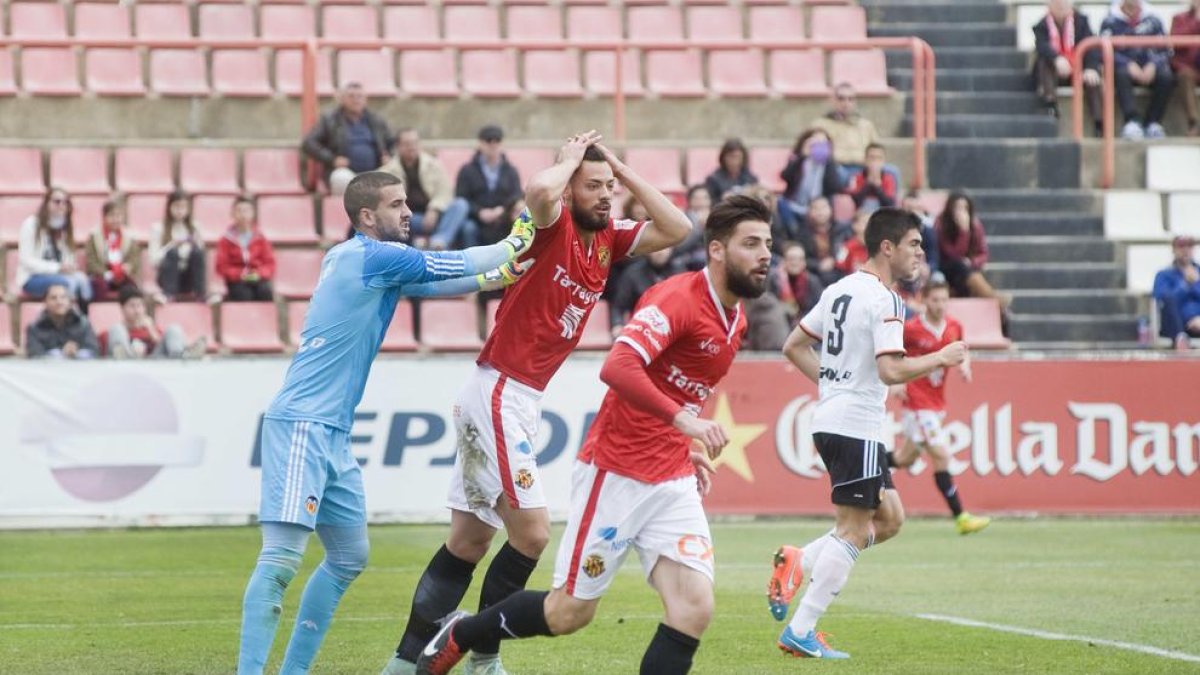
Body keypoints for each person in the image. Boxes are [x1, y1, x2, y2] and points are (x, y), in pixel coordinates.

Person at [413, 196, 774, 675]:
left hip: (671, 482)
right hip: (616, 472)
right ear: (717, 251)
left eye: (768, 243)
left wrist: (685, 444)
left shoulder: (736, 321)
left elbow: (682, 391)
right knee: (568, 614)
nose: (765, 254)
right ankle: (463, 632)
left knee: (694, 608)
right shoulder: (676, 299)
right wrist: (685, 423)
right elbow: (618, 365)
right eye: (751, 244)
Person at [382, 131, 693, 675]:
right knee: (533, 533)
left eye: (608, 188)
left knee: (470, 539)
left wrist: (618, 166)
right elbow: (537, 190)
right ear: (569, 191)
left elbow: (678, 228)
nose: (604, 196)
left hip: (515, 395)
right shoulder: (555, 227)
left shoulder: (609, 238)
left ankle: (405, 663)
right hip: (501, 388)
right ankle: (481, 655)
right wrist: (570, 160)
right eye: (592, 187)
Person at [237, 171, 536, 675]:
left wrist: (500, 277)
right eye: (397, 204)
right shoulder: (372, 255)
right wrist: (518, 237)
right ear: (367, 216)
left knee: (349, 557)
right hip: (303, 424)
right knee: (281, 561)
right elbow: (451, 263)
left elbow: (438, 282)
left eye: (407, 202)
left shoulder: (359, 260)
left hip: (332, 431)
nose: (408, 212)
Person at [767, 208, 968, 659]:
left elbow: (793, 345)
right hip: (854, 425)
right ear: (887, 247)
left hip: (847, 422)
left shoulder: (839, 288)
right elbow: (891, 368)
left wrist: (833, 385)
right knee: (854, 530)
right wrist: (940, 357)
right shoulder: (886, 300)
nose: (921, 253)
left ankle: (801, 558)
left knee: (891, 519)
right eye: (915, 244)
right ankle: (801, 629)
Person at [886, 274, 990, 533]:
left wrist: (965, 366)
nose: (940, 305)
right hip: (917, 402)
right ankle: (961, 517)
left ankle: (871, 461)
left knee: (904, 459)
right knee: (941, 455)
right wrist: (896, 382)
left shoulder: (954, 325)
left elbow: (960, 350)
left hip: (935, 402)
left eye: (944, 299)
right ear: (924, 300)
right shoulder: (910, 329)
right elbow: (890, 355)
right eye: (935, 300)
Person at [378, 129, 472, 250]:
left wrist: (434, 209)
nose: (411, 147)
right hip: (410, 218)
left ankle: (439, 241)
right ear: (398, 146)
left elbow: (445, 192)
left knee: (461, 205)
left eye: (414, 143)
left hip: (437, 215)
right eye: (407, 144)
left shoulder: (434, 164)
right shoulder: (388, 170)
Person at [1101, 0, 1175, 139]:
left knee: (1166, 76)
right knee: (1119, 74)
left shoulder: (1153, 19)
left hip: (1150, 67)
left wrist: (1153, 64)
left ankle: (1153, 122)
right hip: (1125, 67)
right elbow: (1104, 50)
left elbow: (1165, 50)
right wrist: (1127, 63)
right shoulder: (1110, 20)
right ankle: (1132, 121)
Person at [302, 82, 395, 183]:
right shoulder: (329, 120)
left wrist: (388, 156)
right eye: (351, 96)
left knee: (394, 174)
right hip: (344, 172)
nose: (356, 100)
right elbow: (308, 143)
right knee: (341, 179)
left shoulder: (376, 119)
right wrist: (332, 159)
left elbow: (393, 142)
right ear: (341, 99)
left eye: (360, 96)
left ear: (365, 100)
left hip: (376, 170)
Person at [1033, 0, 1103, 131]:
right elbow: (1042, 46)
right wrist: (1057, 58)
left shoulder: (1081, 22)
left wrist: (1091, 68)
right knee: (1044, 62)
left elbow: (1091, 47)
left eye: (1064, 1)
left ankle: (1099, 122)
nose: (1060, 5)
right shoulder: (1041, 25)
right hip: (1055, 72)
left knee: (1093, 77)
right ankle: (1050, 105)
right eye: (1056, 2)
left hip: (1078, 69)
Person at [16, 188, 91, 305]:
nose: (61, 206)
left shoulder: (65, 227)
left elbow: (68, 258)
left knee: (84, 282)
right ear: (47, 204)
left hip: (58, 274)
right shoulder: (31, 224)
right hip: (31, 278)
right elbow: (26, 260)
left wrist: (69, 267)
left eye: (65, 203)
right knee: (66, 284)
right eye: (57, 201)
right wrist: (57, 268)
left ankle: (81, 321)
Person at [934, 192, 1006, 309]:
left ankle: (996, 304)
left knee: (968, 270)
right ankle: (992, 297)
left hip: (968, 270)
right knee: (960, 265)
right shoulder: (941, 224)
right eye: (957, 207)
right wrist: (964, 232)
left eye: (964, 208)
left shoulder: (975, 225)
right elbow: (953, 254)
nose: (961, 211)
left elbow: (983, 253)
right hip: (947, 269)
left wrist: (971, 262)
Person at [456, 125, 525, 247]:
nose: (493, 144)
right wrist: (479, 212)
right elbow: (461, 198)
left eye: (497, 140)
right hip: (475, 219)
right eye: (488, 140)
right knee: (468, 229)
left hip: (503, 219)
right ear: (480, 143)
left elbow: (517, 195)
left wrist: (502, 210)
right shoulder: (467, 170)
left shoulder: (511, 171)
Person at [101, 286, 205, 359]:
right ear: (122, 308)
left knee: (174, 329)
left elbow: (165, 347)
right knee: (116, 329)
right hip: (125, 368)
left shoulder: (153, 330)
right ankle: (126, 356)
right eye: (132, 306)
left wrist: (151, 332)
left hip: (154, 367)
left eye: (140, 306)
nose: (137, 311)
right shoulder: (113, 333)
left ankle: (183, 357)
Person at [778, 129, 844, 235]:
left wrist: (828, 158)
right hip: (795, 206)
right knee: (780, 202)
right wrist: (802, 156)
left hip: (818, 208)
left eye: (822, 143)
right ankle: (793, 230)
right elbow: (785, 176)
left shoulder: (830, 165)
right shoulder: (798, 160)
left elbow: (835, 187)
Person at [149, 190, 207, 301]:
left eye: (183, 207)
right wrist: (171, 245)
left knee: (197, 252)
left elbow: (200, 258)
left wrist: (193, 245)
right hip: (167, 277)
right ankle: (168, 295)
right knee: (173, 252)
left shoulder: (195, 228)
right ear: (169, 207)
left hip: (188, 277)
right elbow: (153, 261)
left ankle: (201, 294)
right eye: (176, 206)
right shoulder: (158, 228)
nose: (180, 211)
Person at [215, 197, 276, 302]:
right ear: (232, 214)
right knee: (243, 294)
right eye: (239, 210)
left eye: (247, 210)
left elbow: (270, 264)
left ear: (253, 213)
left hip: (258, 278)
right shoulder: (225, 239)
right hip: (236, 280)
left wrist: (259, 274)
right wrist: (240, 274)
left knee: (265, 291)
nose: (243, 215)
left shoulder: (261, 238)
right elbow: (221, 266)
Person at [609, 246, 679, 336]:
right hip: (640, 329)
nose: (660, 252)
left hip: (674, 329)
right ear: (647, 249)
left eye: (665, 248)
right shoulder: (633, 273)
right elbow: (618, 307)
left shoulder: (680, 273)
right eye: (656, 248)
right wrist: (617, 324)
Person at [809, 83, 880, 168]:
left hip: (864, 168)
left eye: (850, 99)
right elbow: (817, 154)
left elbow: (877, 150)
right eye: (841, 98)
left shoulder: (866, 125)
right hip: (837, 167)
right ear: (832, 100)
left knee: (892, 171)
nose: (846, 103)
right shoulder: (821, 124)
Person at [25, 282, 99, 359]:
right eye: (53, 298)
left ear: (70, 302)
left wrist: (77, 353)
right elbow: (35, 356)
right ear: (45, 302)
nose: (59, 302)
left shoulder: (83, 324)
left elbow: (94, 351)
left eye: (63, 297)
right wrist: (61, 354)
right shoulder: (34, 328)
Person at [85, 197, 140, 302]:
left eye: (118, 216)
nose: (115, 219)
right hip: (102, 275)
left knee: (132, 287)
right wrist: (107, 274)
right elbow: (91, 262)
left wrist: (128, 267)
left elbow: (134, 260)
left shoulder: (129, 237)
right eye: (112, 215)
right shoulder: (94, 236)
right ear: (104, 217)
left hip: (122, 275)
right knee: (99, 286)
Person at [1152, 235, 1200, 347]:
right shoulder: (1163, 275)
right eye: (1181, 246)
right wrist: (1185, 285)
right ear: (1174, 250)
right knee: (1168, 299)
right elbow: (1162, 300)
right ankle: (1180, 339)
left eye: (1189, 246)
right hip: (1176, 324)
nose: (1186, 250)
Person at [770, 242, 825, 326]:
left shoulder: (813, 281)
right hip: (780, 325)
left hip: (805, 326)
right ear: (784, 261)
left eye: (800, 259)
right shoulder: (774, 279)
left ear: (804, 263)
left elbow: (818, 310)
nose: (795, 263)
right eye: (791, 259)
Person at [793, 196, 841, 287]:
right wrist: (818, 265)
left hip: (837, 269)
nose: (820, 212)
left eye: (823, 207)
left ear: (830, 210)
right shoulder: (801, 233)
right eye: (815, 208)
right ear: (809, 212)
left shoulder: (840, 230)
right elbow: (801, 257)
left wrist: (834, 260)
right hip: (814, 273)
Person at [1170, 0, 1200, 136]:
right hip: (1189, 68)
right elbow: (1176, 43)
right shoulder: (1179, 18)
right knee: (1184, 75)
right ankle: (1194, 123)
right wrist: (1197, 22)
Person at [844, 144, 898, 210]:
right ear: (865, 160)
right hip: (862, 213)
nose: (875, 161)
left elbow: (890, 205)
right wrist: (867, 184)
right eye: (872, 158)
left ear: (884, 161)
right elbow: (855, 203)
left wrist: (878, 188)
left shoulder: (888, 178)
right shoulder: (856, 177)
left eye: (879, 158)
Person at [704, 138, 758, 204]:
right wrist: (722, 198)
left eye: (737, 157)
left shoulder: (751, 178)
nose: (734, 161)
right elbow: (709, 202)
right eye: (730, 157)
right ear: (723, 158)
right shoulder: (713, 179)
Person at [671, 186, 711, 272]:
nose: (701, 202)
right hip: (687, 258)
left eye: (705, 198)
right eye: (696, 198)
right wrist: (699, 227)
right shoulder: (682, 218)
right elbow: (679, 248)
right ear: (689, 201)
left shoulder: (716, 217)